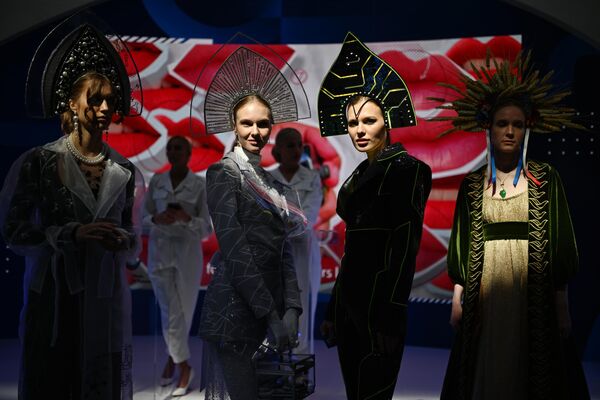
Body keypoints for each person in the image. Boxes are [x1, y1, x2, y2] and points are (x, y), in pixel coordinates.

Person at [432, 52, 590, 399]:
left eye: (517, 124)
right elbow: (461, 242)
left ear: (527, 128)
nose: (509, 131)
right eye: (502, 123)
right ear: (488, 127)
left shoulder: (545, 179)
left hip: (530, 288)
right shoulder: (473, 185)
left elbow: (559, 243)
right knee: (486, 358)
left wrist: (561, 305)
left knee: (530, 361)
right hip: (484, 290)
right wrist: (458, 296)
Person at [1, 23, 141, 399]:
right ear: (72, 104)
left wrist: (122, 239)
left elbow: (131, 230)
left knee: (100, 382)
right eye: (95, 100)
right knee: (54, 379)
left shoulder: (123, 170)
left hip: (104, 295)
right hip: (55, 296)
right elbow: (12, 230)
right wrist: (69, 234)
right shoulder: (41, 162)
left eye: (110, 100)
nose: (105, 108)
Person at [318, 32, 432, 400]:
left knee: (375, 392)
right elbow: (351, 251)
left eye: (368, 120)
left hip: (379, 306)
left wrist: (389, 314)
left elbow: (404, 248)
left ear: (388, 120)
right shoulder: (354, 179)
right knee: (356, 392)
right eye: (352, 123)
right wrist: (334, 308)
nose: (359, 130)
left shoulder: (408, 170)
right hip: (351, 301)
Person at [195, 45, 310, 399]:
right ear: (233, 124)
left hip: (271, 313)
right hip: (235, 312)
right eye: (247, 123)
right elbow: (235, 250)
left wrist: (292, 308)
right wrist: (272, 315)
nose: (256, 131)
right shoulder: (222, 173)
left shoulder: (274, 185)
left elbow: (284, 250)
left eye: (263, 123)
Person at [143, 135, 210, 395]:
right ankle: (180, 362)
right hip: (160, 254)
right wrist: (157, 218)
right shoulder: (156, 182)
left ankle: (178, 363)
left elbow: (205, 227)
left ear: (189, 153)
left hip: (187, 256)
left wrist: (185, 218)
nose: (173, 152)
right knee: (167, 311)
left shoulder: (199, 185)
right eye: (169, 147)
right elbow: (143, 219)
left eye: (178, 147)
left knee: (181, 311)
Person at [270, 127, 323, 355]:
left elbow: (308, 215)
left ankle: (300, 367)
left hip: (302, 250)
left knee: (302, 306)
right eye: (290, 145)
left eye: (299, 145)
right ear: (278, 150)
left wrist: (285, 222)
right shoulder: (267, 177)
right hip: (273, 251)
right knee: (276, 304)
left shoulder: (311, 178)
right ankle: (277, 363)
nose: (296, 149)